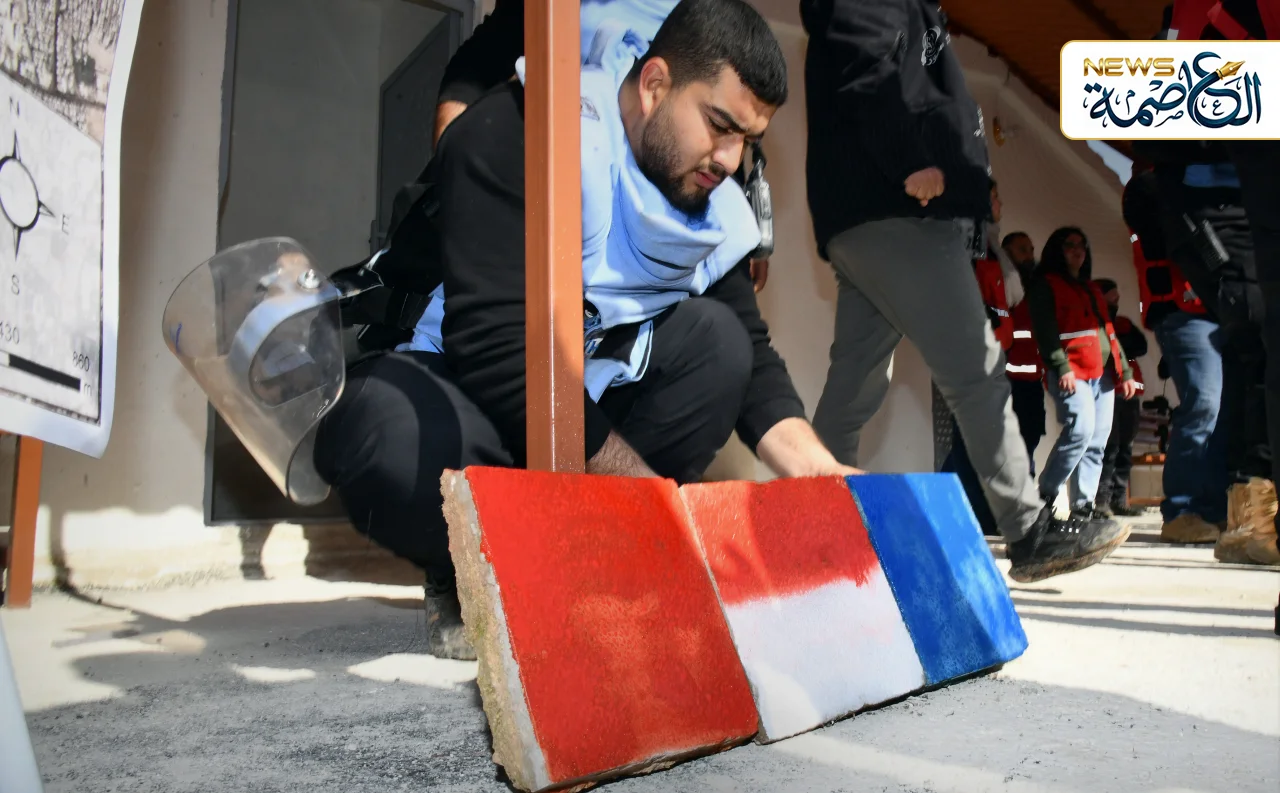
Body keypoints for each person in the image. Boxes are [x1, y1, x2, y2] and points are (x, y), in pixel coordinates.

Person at [314, 0, 856, 660]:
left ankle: (585, 559)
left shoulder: (709, 201)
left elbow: (755, 361)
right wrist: (653, 501)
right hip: (471, 390)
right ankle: (468, 564)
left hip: (583, 404)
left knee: (720, 345)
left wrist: (824, 473)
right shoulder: (519, 130)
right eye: (720, 126)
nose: (729, 159)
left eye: (748, 138)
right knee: (381, 436)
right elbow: (499, 352)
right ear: (654, 84)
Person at [800, 0, 1128, 584]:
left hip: (870, 215)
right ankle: (1028, 530)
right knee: (977, 373)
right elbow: (867, 67)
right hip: (903, 209)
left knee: (855, 383)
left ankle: (804, 526)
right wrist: (912, 159)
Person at [432, 0, 771, 292]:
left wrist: (745, 236)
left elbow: (724, 128)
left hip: (664, 223)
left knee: (722, 331)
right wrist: (457, 185)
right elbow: (483, 61)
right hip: (556, 207)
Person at [1122, 163, 1228, 543]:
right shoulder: (1148, 188)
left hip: (1217, 311)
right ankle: (1182, 510)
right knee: (1203, 404)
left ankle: (1214, 510)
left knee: (1222, 411)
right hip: (1182, 311)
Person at [1026, 227, 1140, 520]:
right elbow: (1045, 330)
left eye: (1082, 245)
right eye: (1070, 245)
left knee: (1097, 442)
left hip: (1103, 375)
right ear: (1057, 250)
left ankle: (1082, 506)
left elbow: (1108, 331)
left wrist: (1125, 371)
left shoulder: (1091, 288)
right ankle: (1046, 494)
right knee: (1079, 432)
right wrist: (1060, 366)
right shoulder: (1045, 285)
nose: (1077, 251)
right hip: (1072, 371)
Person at [940, 180, 1024, 536]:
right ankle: (977, 514)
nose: (999, 203)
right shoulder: (964, 242)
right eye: (993, 197)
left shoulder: (990, 246)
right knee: (975, 433)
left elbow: (1010, 296)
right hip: (972, 347)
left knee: (974, 432)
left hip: (994, 348)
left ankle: (948, 509)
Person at [1092, 278, 1148, 518]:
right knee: (1110, 447)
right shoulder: (1094, 323)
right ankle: (1101, 501)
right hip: (1107, 392)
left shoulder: (1122, 323)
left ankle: (1119, 500)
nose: (1116, 301)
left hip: (1130, 392)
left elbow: (1140, 346)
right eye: (1112, 297)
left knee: (1125, 447)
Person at [1002, 231, 1048, 472]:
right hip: (1005, 380)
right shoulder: (1001, 282)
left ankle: (1026, 487)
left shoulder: (1037, 287)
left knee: (1030, 438)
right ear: (1006, 253)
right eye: (1022, 250)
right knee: (1005, 442)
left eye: (1031, 250)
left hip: (1032, 380)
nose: (1030, 256)